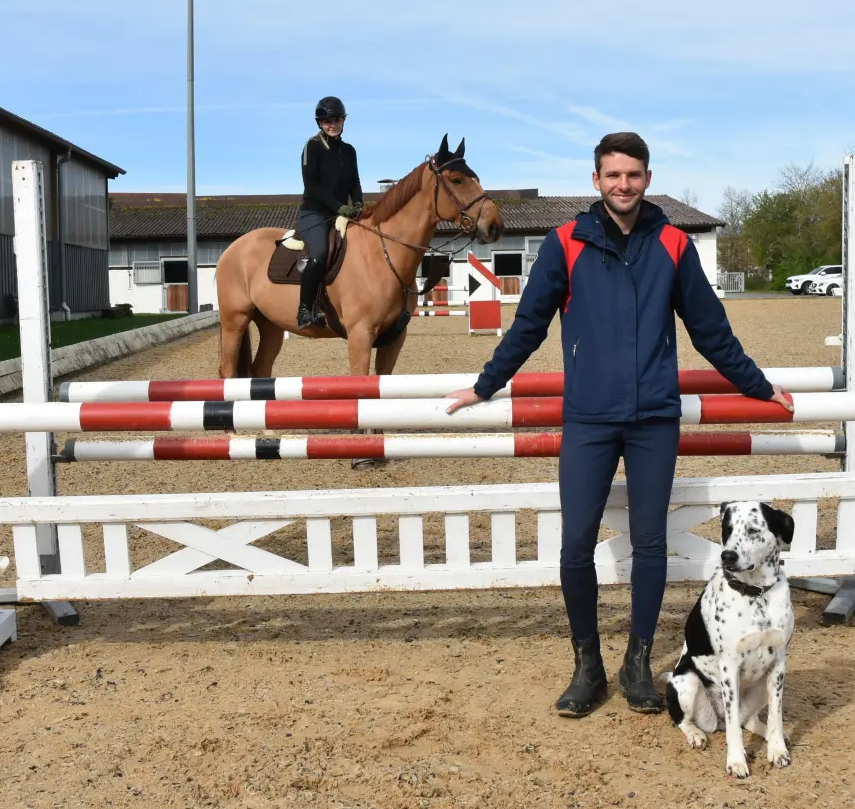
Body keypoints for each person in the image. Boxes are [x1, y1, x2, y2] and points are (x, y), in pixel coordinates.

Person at [445, 132, 794, 718]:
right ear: (596, 181)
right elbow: (528, 325)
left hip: (654, 417)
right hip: (587, 418)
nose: (623, 184)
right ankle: (587, 666)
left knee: (650, 543)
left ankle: (636, 663)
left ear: (647, 179)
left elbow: (711, 331)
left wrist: (759, 386)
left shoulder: (675, 244)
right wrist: (484, 384)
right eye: (613, 175)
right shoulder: (564, 244)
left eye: (633, 174)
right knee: (575, 544)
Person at [296, 96, 365, 329]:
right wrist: (339, 206)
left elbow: (355, 182)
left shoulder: (349, 151)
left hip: (341, 215)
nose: (332, 124)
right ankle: (305, 309)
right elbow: (312, 186)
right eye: (327, 121)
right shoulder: (312, 146)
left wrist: (358, 204)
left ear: (343, 121)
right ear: (320, 123)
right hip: (314, 214)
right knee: (320, 253)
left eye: (336, 120)